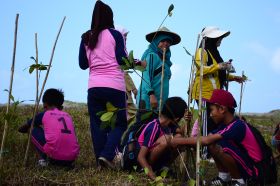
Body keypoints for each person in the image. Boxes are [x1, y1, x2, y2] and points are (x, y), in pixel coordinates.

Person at [171, 89, 263, 185]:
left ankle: (239, 181)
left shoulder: (237, 125)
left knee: (220, 145)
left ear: (222, 109)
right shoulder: (224, 125)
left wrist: (179, 141)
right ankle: (224, 178)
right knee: (213, 143)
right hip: (247, 166)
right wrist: (187, 142)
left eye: (211, 110)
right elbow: (206, 139)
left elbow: (206, 140)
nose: (210, 114)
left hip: (255, 171)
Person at [78, 1, 128, 169]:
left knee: (97, 124)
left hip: (94, 87)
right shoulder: (115, 34)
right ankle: (107, 155)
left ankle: (100, 161)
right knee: (120, 124)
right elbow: (122, 60)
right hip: (114, 86)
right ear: (110, 17)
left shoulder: (86, 36)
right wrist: (137, 63)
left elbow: (83, 64)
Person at [191, 26, 245, 136]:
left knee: (214, 123)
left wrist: (234, 78)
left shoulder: (214, 52)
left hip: (214, 95)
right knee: (208, 123)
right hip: (203, 93)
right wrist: (219, 66)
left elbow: (216, 74)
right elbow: (201, 69)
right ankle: (203, 150)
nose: (220, 40)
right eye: (219, 38)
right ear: (212, 39)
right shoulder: (201, 51)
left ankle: (209, 148)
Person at [125, 97, 188, 180]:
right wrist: (153, 178)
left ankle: (162, 168)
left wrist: (187, 121)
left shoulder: (167, 125)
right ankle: (148, 170)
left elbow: (181, 131)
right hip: (141, 162)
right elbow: (141, 157)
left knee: (178, 138)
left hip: (151, 157)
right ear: (176, 119)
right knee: (166, 140)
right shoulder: (154, 127)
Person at [18, 88, 80, 167]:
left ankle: (44, 160)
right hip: (71, 159)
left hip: (54, 158)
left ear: (45, 105)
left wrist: (24, 128)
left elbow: (24, 127)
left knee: (31, 128)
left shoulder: (45, 114)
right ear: (61, 107)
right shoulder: (68, 116)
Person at [137, 26, 181, 113]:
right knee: (143, 124)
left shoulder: (165, 62)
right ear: (156, 41)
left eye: (168, 41)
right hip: (148, 100)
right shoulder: (152, 55)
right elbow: (146, 76)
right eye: (162, 40)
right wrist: (151, 95)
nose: (165, 43)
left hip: (159, 102)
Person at [115, 25, 138, 125]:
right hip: (121, 87)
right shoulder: (119, 51)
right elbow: (123, 72)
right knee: (132, 113)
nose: (126, 38)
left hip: (117, 86)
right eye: (124, 36)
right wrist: (133, 89)